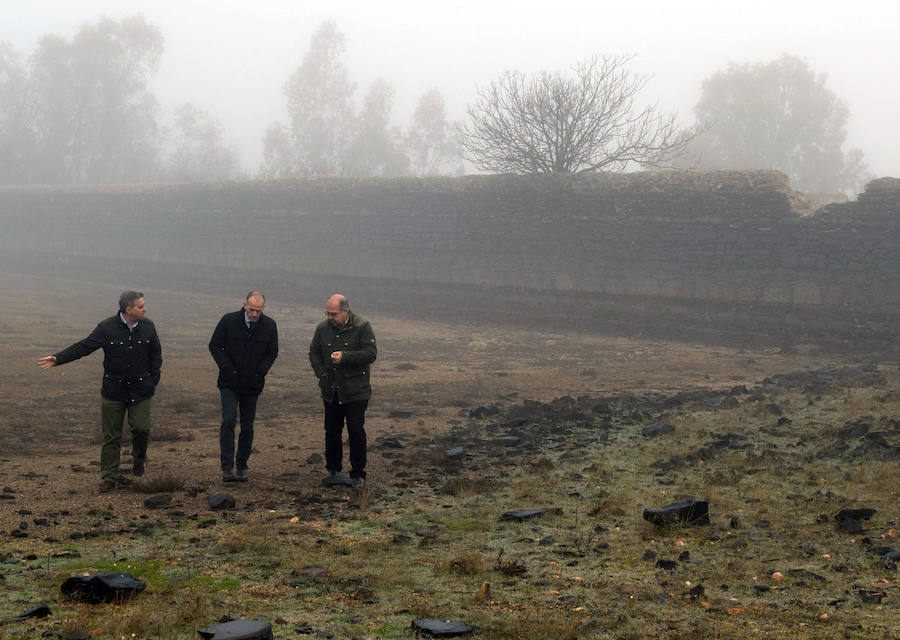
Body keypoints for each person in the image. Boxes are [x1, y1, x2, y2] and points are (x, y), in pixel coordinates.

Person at [38, 291, 162, 492]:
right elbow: (84, 347)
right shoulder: (107, 328)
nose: (145, 309)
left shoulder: (148, 327)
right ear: (128, 309)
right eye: (141, 306)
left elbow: (156, 354)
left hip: (141, 391)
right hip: (113, 391)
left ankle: (139, 460)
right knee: (111, 436)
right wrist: (58, 358)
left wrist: (153, 379)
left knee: (141, 429)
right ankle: (109, 478)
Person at [209, 290, 278, 482]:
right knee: (229, 420)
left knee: (247, 426)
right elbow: (214, 345)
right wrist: (227, 368)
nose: (254, 314)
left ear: (263, 308)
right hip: (229, 382)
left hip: (252, 384)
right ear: (244, 305)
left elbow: (272, 352)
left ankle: (241, 466)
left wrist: (260, 373)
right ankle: (226, 468)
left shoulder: (269, 326)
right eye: (251, 309)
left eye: (258, 310)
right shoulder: (228, 321)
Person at [309, 294, 377, 488]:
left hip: (356, 391)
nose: (330, 317)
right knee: (332, 430)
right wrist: (321, 373)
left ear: (345, 311)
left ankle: (358, 474)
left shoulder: (362, 326)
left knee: (356, 430)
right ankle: (333, 470)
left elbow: (371, 353)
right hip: (331, 389)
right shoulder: (322, 328)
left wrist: (345, 357)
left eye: (333, 314)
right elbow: (313, 352)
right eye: (328, 313)